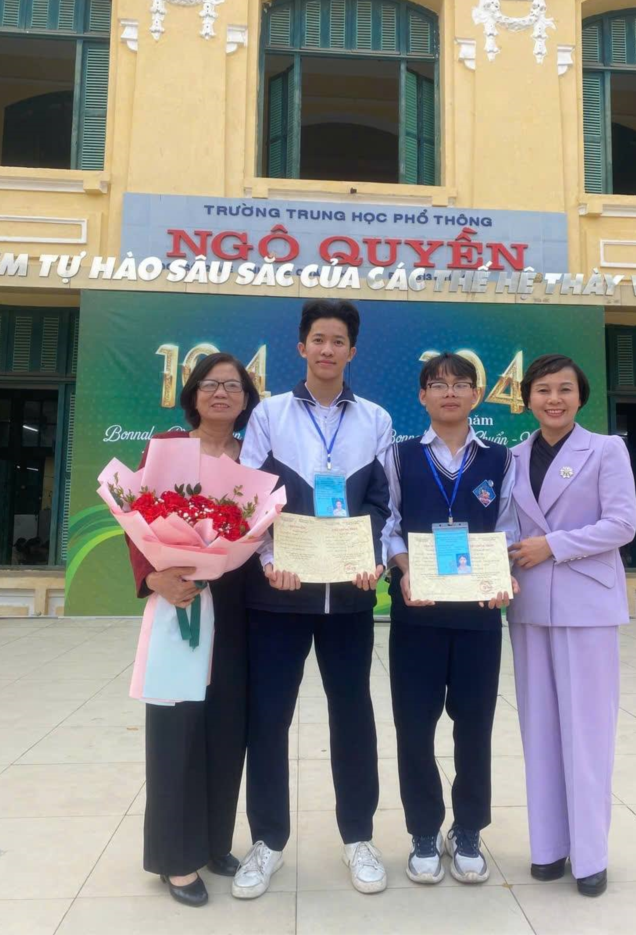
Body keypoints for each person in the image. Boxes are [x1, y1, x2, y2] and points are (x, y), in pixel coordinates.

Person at [234, 299, 392, 900]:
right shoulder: (269, 414)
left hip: (349, 597)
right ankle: (267, 841)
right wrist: (268, 562)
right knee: (269, 718)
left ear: (352, 351)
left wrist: (372, 559)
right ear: (301, 347)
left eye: (338, 341)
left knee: (353, 715)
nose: (328, 349)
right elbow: (252, 498)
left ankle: (359, 837)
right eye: (318, 339)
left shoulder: (375, 419)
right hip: (279, 596)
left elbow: (383, 504)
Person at [126, 352, 260, 907]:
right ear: (193, 394)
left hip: (240, 606)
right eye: (209, 384)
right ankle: (175, 857)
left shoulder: (255, 454)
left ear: (247, 399)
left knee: (228, 727)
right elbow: (134, 518)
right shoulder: (166, 447)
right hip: (180, 595)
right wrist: (153, 576)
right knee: (176, 727)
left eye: (232, 385)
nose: (221, 393)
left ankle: (212, 842)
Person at [384, 352, 519, 886]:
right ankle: (423, 830)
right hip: (417, 610)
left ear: (476, 396)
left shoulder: (499, 458)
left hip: (478, 614)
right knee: (414, 726)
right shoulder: (399, 456)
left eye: (461, 384)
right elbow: (389, 525)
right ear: (422, 396)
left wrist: (503, 574)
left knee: (475, 727)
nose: (449, 393)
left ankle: (467, 829)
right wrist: (404, 569)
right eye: (438, 385)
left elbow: (507, 526)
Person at [508, 354, 636, 898]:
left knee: (587, 732)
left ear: (580, 396)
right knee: (539, 730)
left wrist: (554, 545)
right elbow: (505, 527)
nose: (553, 399)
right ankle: (548, 848)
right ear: (527, 400)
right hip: (529, 605)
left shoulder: (606, 450)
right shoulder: (513, 456)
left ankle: (590, 857)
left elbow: (622, 524)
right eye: (543, 390)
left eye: (564, 389)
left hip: (587, 607)